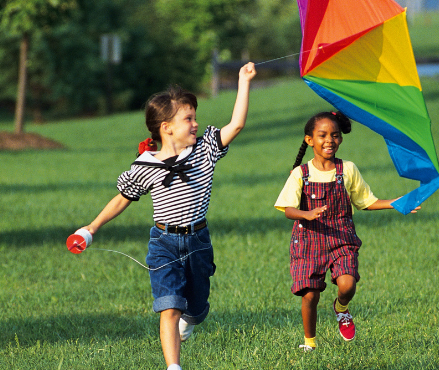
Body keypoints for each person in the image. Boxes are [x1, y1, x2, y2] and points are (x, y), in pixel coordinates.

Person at [78, 63, 256, 370]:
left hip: (198, 241)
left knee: (197, 309)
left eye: (195, 116)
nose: (196, 123)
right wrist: (91, 228)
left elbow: (236, 125)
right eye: (188, 118)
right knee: (169, 306)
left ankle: (190, 322)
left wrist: (244, 81)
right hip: (163, 242)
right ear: (167, 126)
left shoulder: (205, 149)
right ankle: (173, 366)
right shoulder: (145, 165)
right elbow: (123, 199)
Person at [273, 111, 419, 351]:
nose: (329, 140)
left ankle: (341, 308)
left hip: (341, 238)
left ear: (340, 139)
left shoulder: (348, 169)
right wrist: (305, 214)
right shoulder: (301, 174)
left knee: (348, 285)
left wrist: (396, 202)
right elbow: (288, 208)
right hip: (309, 242)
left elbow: (366, 202)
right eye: (322, 135)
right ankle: (309, 343)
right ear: (310, 140)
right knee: (310, 295)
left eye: (335, 135)